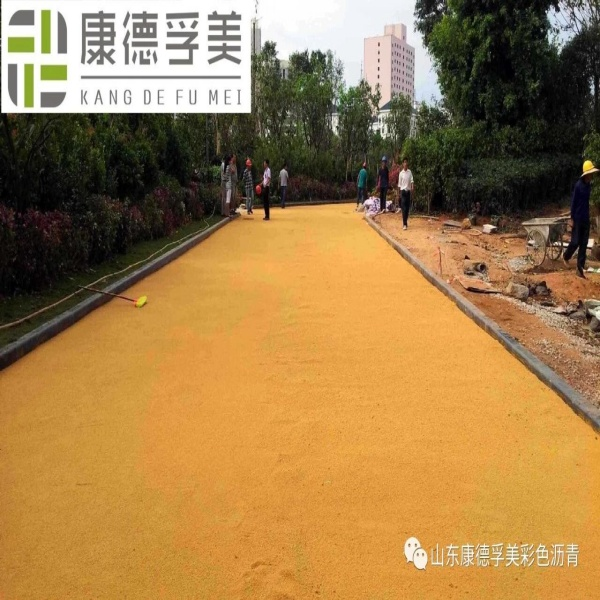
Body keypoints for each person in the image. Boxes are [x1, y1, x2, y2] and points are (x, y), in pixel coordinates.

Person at [563, 160, 599, 278]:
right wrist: (572, 218)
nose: (591, 176)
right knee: (575, 241)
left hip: (585, 218)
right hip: (577, 218)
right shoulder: (578, 186)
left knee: (584, 243)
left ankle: (580, 267)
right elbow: (574, 203)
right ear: (586, 174)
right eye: (590, 174)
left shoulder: (588, 185)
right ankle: (566, 256)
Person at [398, 157, 415, 230]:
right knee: (404, 208)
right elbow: (399, 185)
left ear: (407, 163)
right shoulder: (401, 173)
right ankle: (404, 224)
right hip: (403, 192)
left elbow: (412, 181)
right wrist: (398, 194)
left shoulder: (409, 172)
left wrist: (412, 187)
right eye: (404, 162)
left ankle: (406, 221)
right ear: (402, 164)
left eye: (406, 162)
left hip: (408, 192)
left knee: (407, 208)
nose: (405, 163)